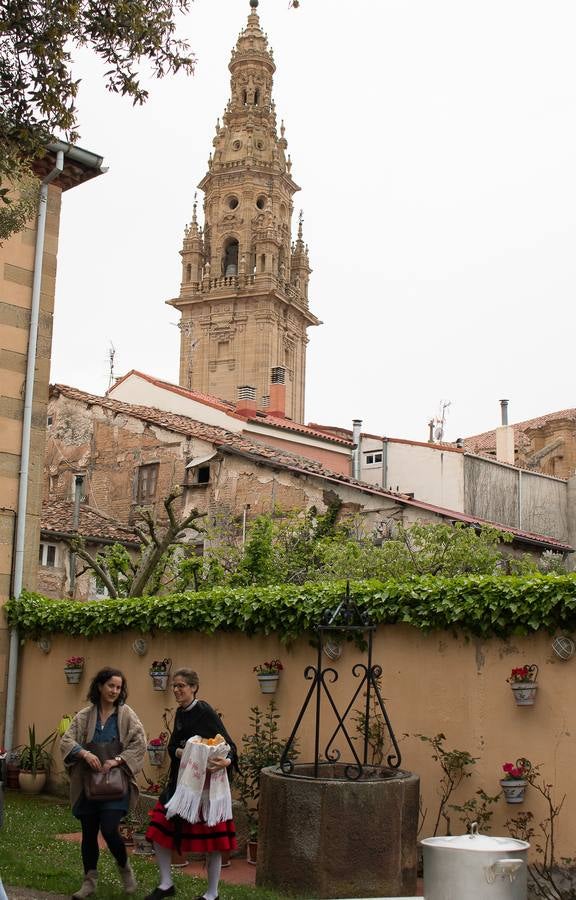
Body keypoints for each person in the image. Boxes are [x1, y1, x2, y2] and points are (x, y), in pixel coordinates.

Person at [145, 668, 238, 900]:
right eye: (174, 686)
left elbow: (230, 746)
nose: (176, 690)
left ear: (194, 687)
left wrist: (224, 761)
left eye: (181, 686)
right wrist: (185, 752)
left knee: (214, 840)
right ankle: (166, 884)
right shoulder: (180, 713)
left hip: (205, 789)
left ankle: (212, 894)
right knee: (159, 827)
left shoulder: (204, 711)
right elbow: (173, 747)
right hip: (180, 786)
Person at [61, 666, 147, 899]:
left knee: (109, 829)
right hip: (89, 785)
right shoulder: (84, 716)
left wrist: (117, 760)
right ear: (100, 686)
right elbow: (66, 740)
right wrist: (84, 754)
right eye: (111, 686)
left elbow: (139, 744)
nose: (114, 691)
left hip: (115, 784)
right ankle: (89, 882)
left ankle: (124, 868)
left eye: (118, 687)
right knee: (88, 833)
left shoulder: (127, 715)